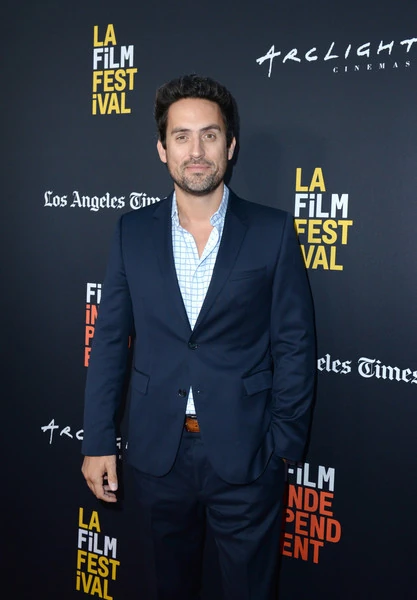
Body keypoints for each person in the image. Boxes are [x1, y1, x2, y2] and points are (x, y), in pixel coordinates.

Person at [82, 74, 316, 600]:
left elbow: (295, 344)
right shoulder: (131, 232)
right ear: (162, 149)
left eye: (209, 135)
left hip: (247, 455)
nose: (196, 151)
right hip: (156, 455)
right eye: (181, 136)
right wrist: (97, 440)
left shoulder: (273, 232)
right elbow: (110, 341)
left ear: (230, 146)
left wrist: (282, 445)